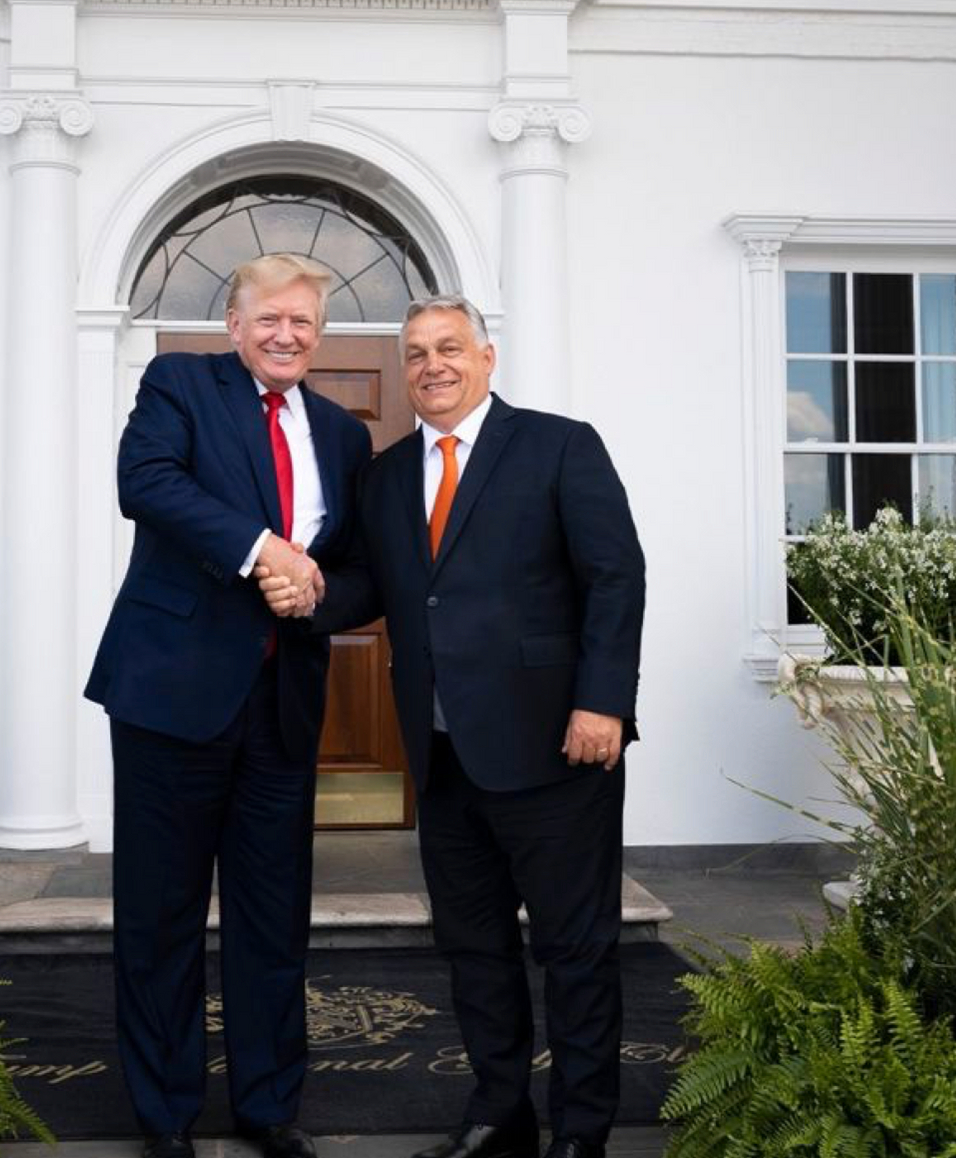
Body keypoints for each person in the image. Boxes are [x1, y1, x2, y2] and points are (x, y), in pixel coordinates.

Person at [261, 295, 645, 1158]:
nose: (432, 365)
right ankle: (499, 1115)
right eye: (416, 353)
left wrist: (603, 703)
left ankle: (581, 1133)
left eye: (449, 348)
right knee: (473, 949)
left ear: (486, 357)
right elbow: (374, 586)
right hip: (440, 756)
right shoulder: (389, 473)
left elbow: (616, 577)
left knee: (576, 952)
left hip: (556, 748)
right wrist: (307, 593)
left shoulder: (559, 445)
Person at [83, 254, 372, 1158]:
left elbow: (355, 568)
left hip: (282, 705)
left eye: (303, 322)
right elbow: (146, 483)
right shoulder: (180, 384)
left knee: (273, 918)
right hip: (170, 694)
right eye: (269, 319)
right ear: (235, 324)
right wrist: (263, 551)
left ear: (319, 335)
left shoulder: (341, 432)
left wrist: (312, 593)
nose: (287, 335)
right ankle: (166, 1115)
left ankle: (268, 1106)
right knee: (160, 917)